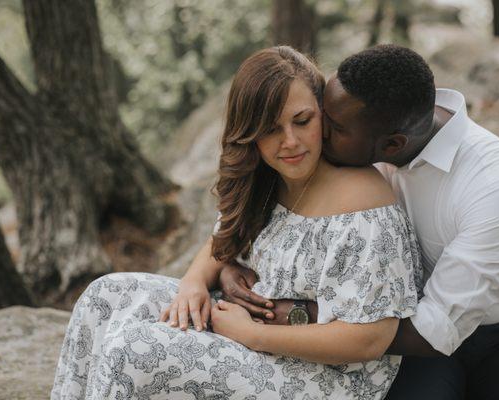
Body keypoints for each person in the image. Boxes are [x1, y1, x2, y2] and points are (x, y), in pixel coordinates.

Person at [51, 46, 423, 400]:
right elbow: (222, 237)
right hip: (254, 334)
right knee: (105, 297)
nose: (290, 141)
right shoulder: (269, 178)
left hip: (327, 378)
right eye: (270, 129)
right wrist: (194, 282)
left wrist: (251, 335)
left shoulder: (362, 206)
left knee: (133, 353)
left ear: (322, 113)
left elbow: (370, 340)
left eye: (302, 120)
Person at [218, 45, 499, 399]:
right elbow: (252, 205)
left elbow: (435, 332)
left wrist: (299, 313)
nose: (317, 132)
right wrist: (227, 263)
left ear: (392, 146)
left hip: (496, 333)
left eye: (333, 126)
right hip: (403, 339)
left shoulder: (495, 184)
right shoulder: (364, 124)